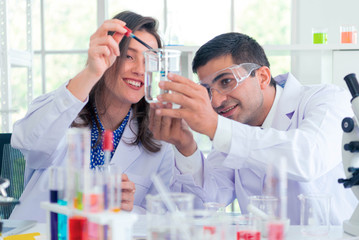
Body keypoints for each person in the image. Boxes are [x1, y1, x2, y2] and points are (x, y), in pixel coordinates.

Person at [150, 32, 357, 225]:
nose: (216, 102)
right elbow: (206, 202)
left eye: (226, 81)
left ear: (263, 77)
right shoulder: (233, 128)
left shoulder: (327, 99)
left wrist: (215, 127)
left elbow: (308, 158)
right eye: (208, 91)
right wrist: (186, 147)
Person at [10, 11, 174, 222]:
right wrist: (91, 71)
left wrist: (129, 209)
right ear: (107, 54)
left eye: (149, 61)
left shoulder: (159, 139)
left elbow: (163, 216)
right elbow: (28, 143)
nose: (140, 70)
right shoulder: (65, 106)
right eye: (129, 56)